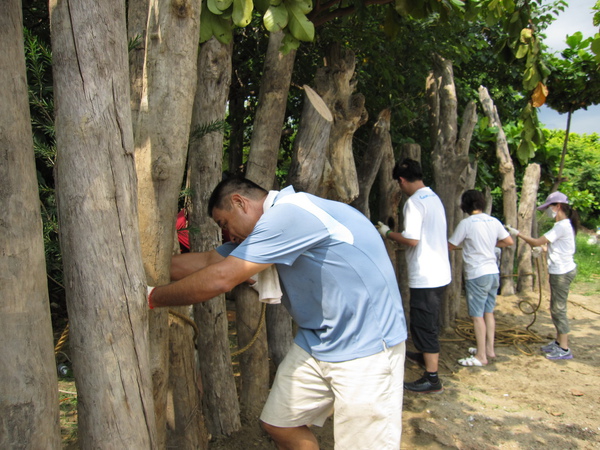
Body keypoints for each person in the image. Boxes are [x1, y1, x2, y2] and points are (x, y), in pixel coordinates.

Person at [149, 177, 408, 449]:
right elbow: (207, 262)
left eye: (225, 224)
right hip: (319, 339)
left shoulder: (289, 214)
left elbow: (221, 279)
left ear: (240, 202)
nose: (228, 235)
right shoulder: (269, 230)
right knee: (280, 422)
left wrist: (151, 297)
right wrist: (139, 267)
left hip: (368, 345)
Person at [377, 158, 450, 394]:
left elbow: (411, 239)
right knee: (427, 322)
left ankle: (432, 378)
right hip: (440, 272)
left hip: (426, 274)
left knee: (423, 325)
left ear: (401, 180)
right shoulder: (433, 197)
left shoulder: (414, 203)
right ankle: (425, 356)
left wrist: (387, 233)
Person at [506, 191, 579, 361]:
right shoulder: (563, 225)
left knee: (558, 309)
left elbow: (537, 241)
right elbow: (550, 246)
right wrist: (543, 250)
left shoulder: (561, 226)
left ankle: (564, 348)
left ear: (558, 206)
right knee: (555, 307)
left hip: (562, 272)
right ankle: (558, 342)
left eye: (549, 207)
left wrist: (518, 234)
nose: (547, 211)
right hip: (560, 269)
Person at [448, 190, 514, 366]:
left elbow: (452, 245)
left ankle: (481, 356)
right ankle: (488, 349)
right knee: (488, 312)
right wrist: (490, 245)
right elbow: (509, 241)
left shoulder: (467, 223)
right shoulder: (493, 221)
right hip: (493, 272)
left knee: (477, 316)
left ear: (465, 205)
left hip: (477, 274)